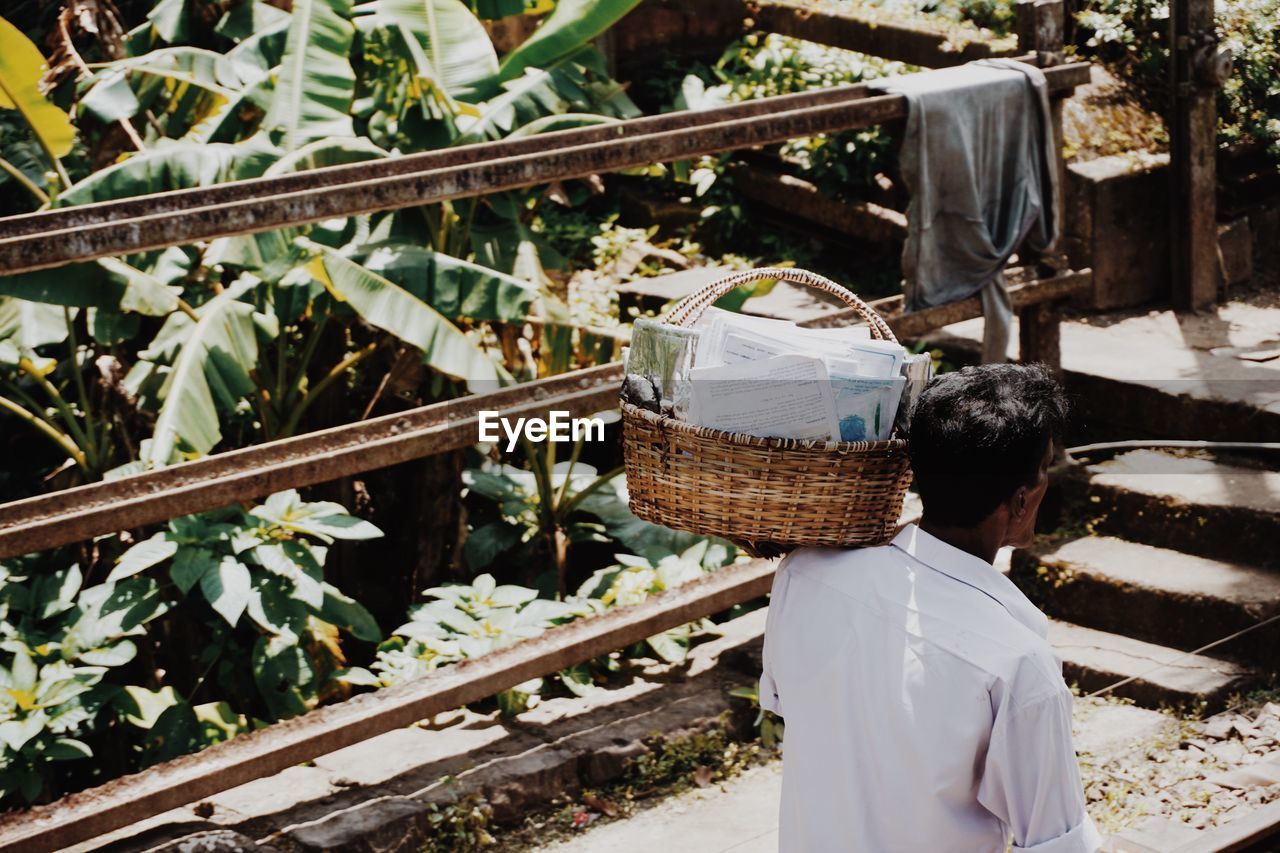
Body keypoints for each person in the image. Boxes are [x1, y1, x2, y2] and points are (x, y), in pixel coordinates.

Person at [760, 363, 1100, 852]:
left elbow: (793, 707)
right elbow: (1056, 844)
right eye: (1045, 467)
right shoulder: (1019, 666)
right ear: (1022, 499)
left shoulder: (804, 574)